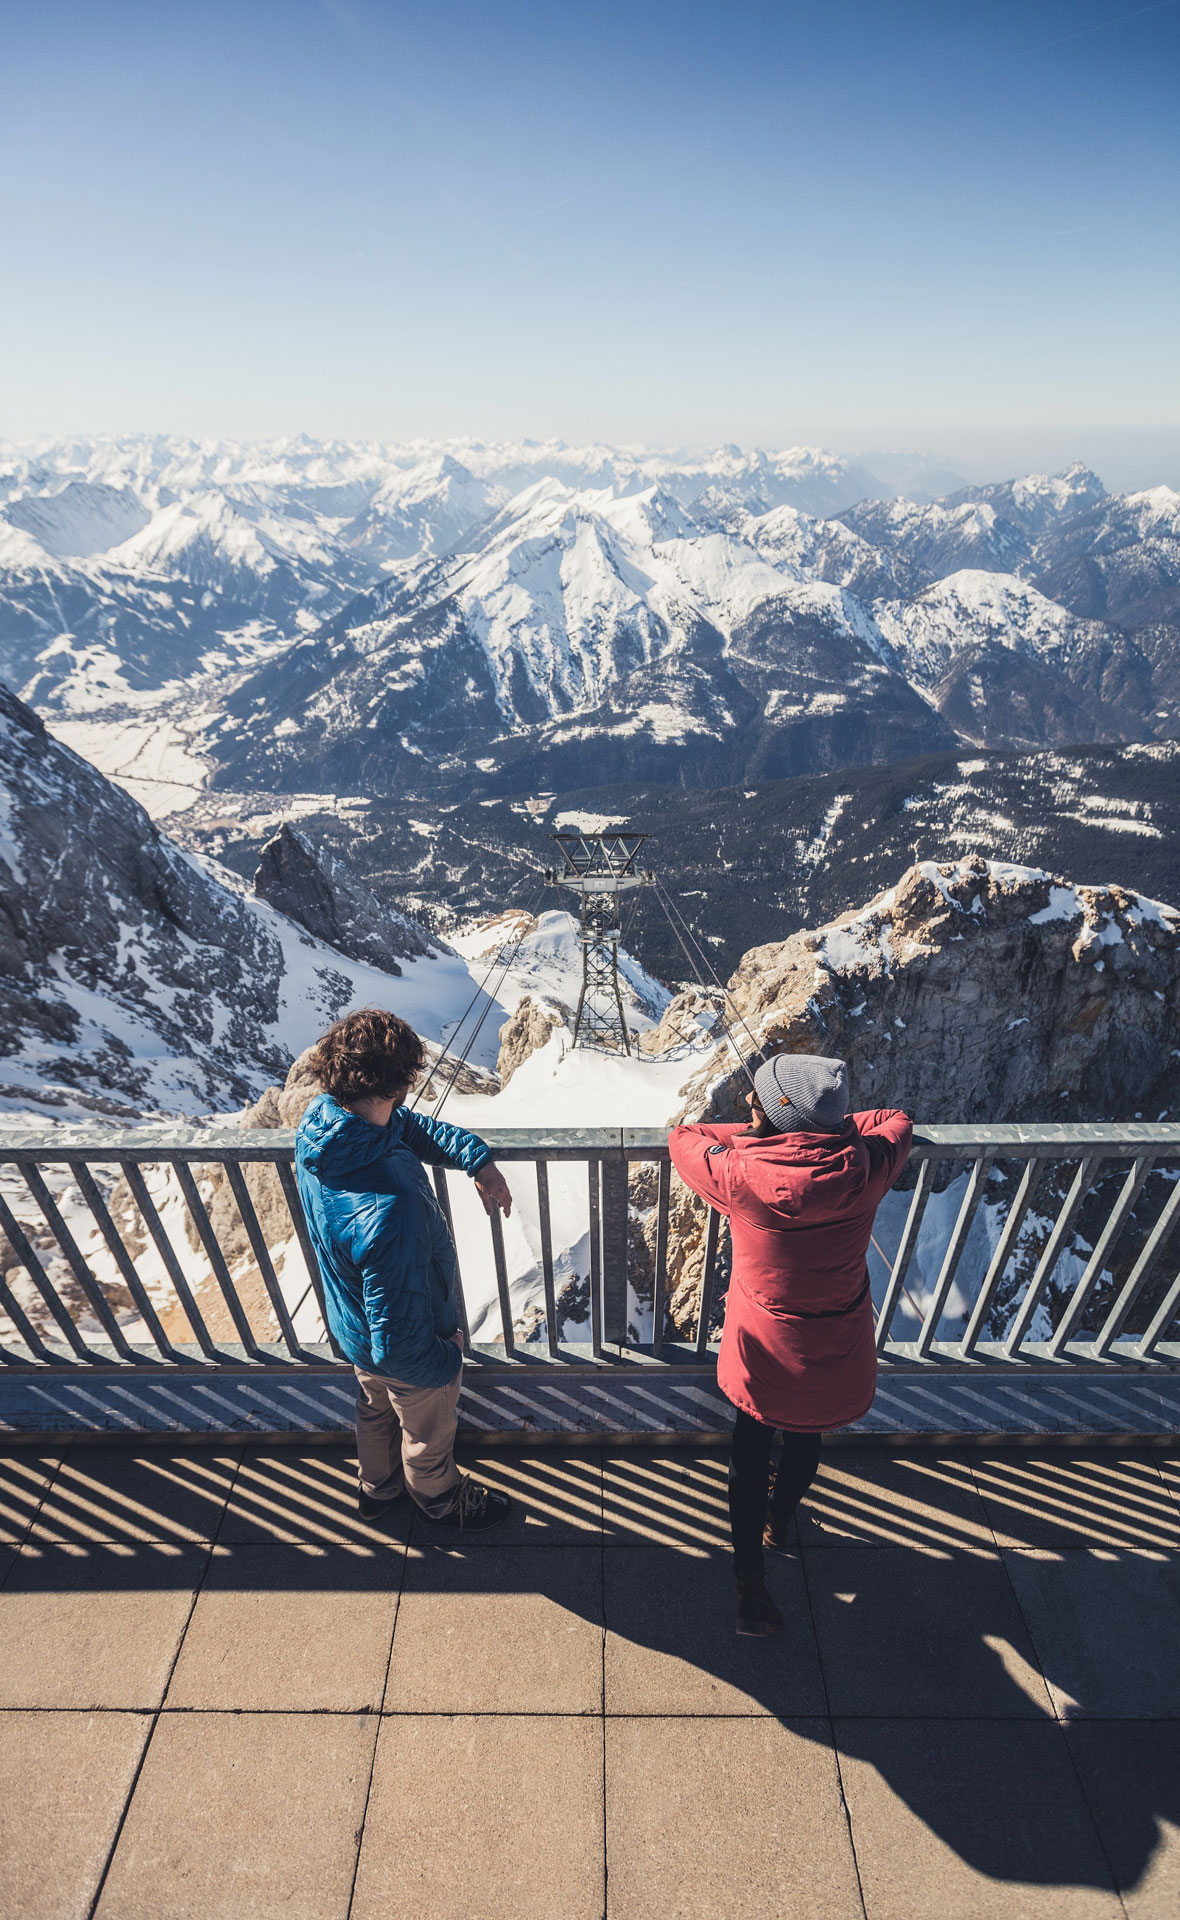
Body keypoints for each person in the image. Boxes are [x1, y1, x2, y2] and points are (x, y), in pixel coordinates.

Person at [668, 1053, 912, 1636]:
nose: (747, 1104)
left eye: (759, 1101)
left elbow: (684, 1137)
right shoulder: (864, 1165)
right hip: (836, 1345)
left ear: (779, 1115)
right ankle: (781, 1520)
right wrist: (826, 1131)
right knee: (806, 1436)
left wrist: (752, 1138)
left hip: (765, 1349)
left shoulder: (738, 1174)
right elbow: (895, 1118)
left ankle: (750, 1582)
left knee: (749, 1452)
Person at [295, 1007, 515, 1532]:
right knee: (426, 1431)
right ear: (398, 1085)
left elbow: (403, 1128)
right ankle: (437, 1498)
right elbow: (400, 1345)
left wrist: (475, 1158)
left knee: (373, 1410)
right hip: (411, 1347)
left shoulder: (324, 1128)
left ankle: (378, 1490)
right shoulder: (390, 1211)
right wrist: (446, 1359)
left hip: (352, 1325)